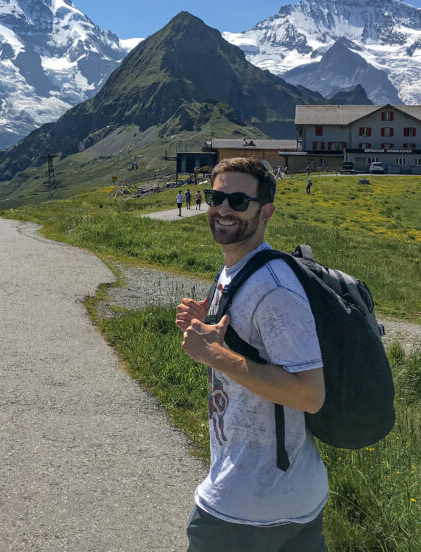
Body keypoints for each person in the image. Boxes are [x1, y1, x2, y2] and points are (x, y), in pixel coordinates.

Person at [176, 158, 327, 551]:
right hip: (284, 496)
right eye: (217, 197)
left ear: (266, 211)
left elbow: (310, 395)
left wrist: (213, 354)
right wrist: (206, 323)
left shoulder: (274, 289)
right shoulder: (236, 269)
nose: (224, 209)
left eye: (239, 201)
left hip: (251, 505)